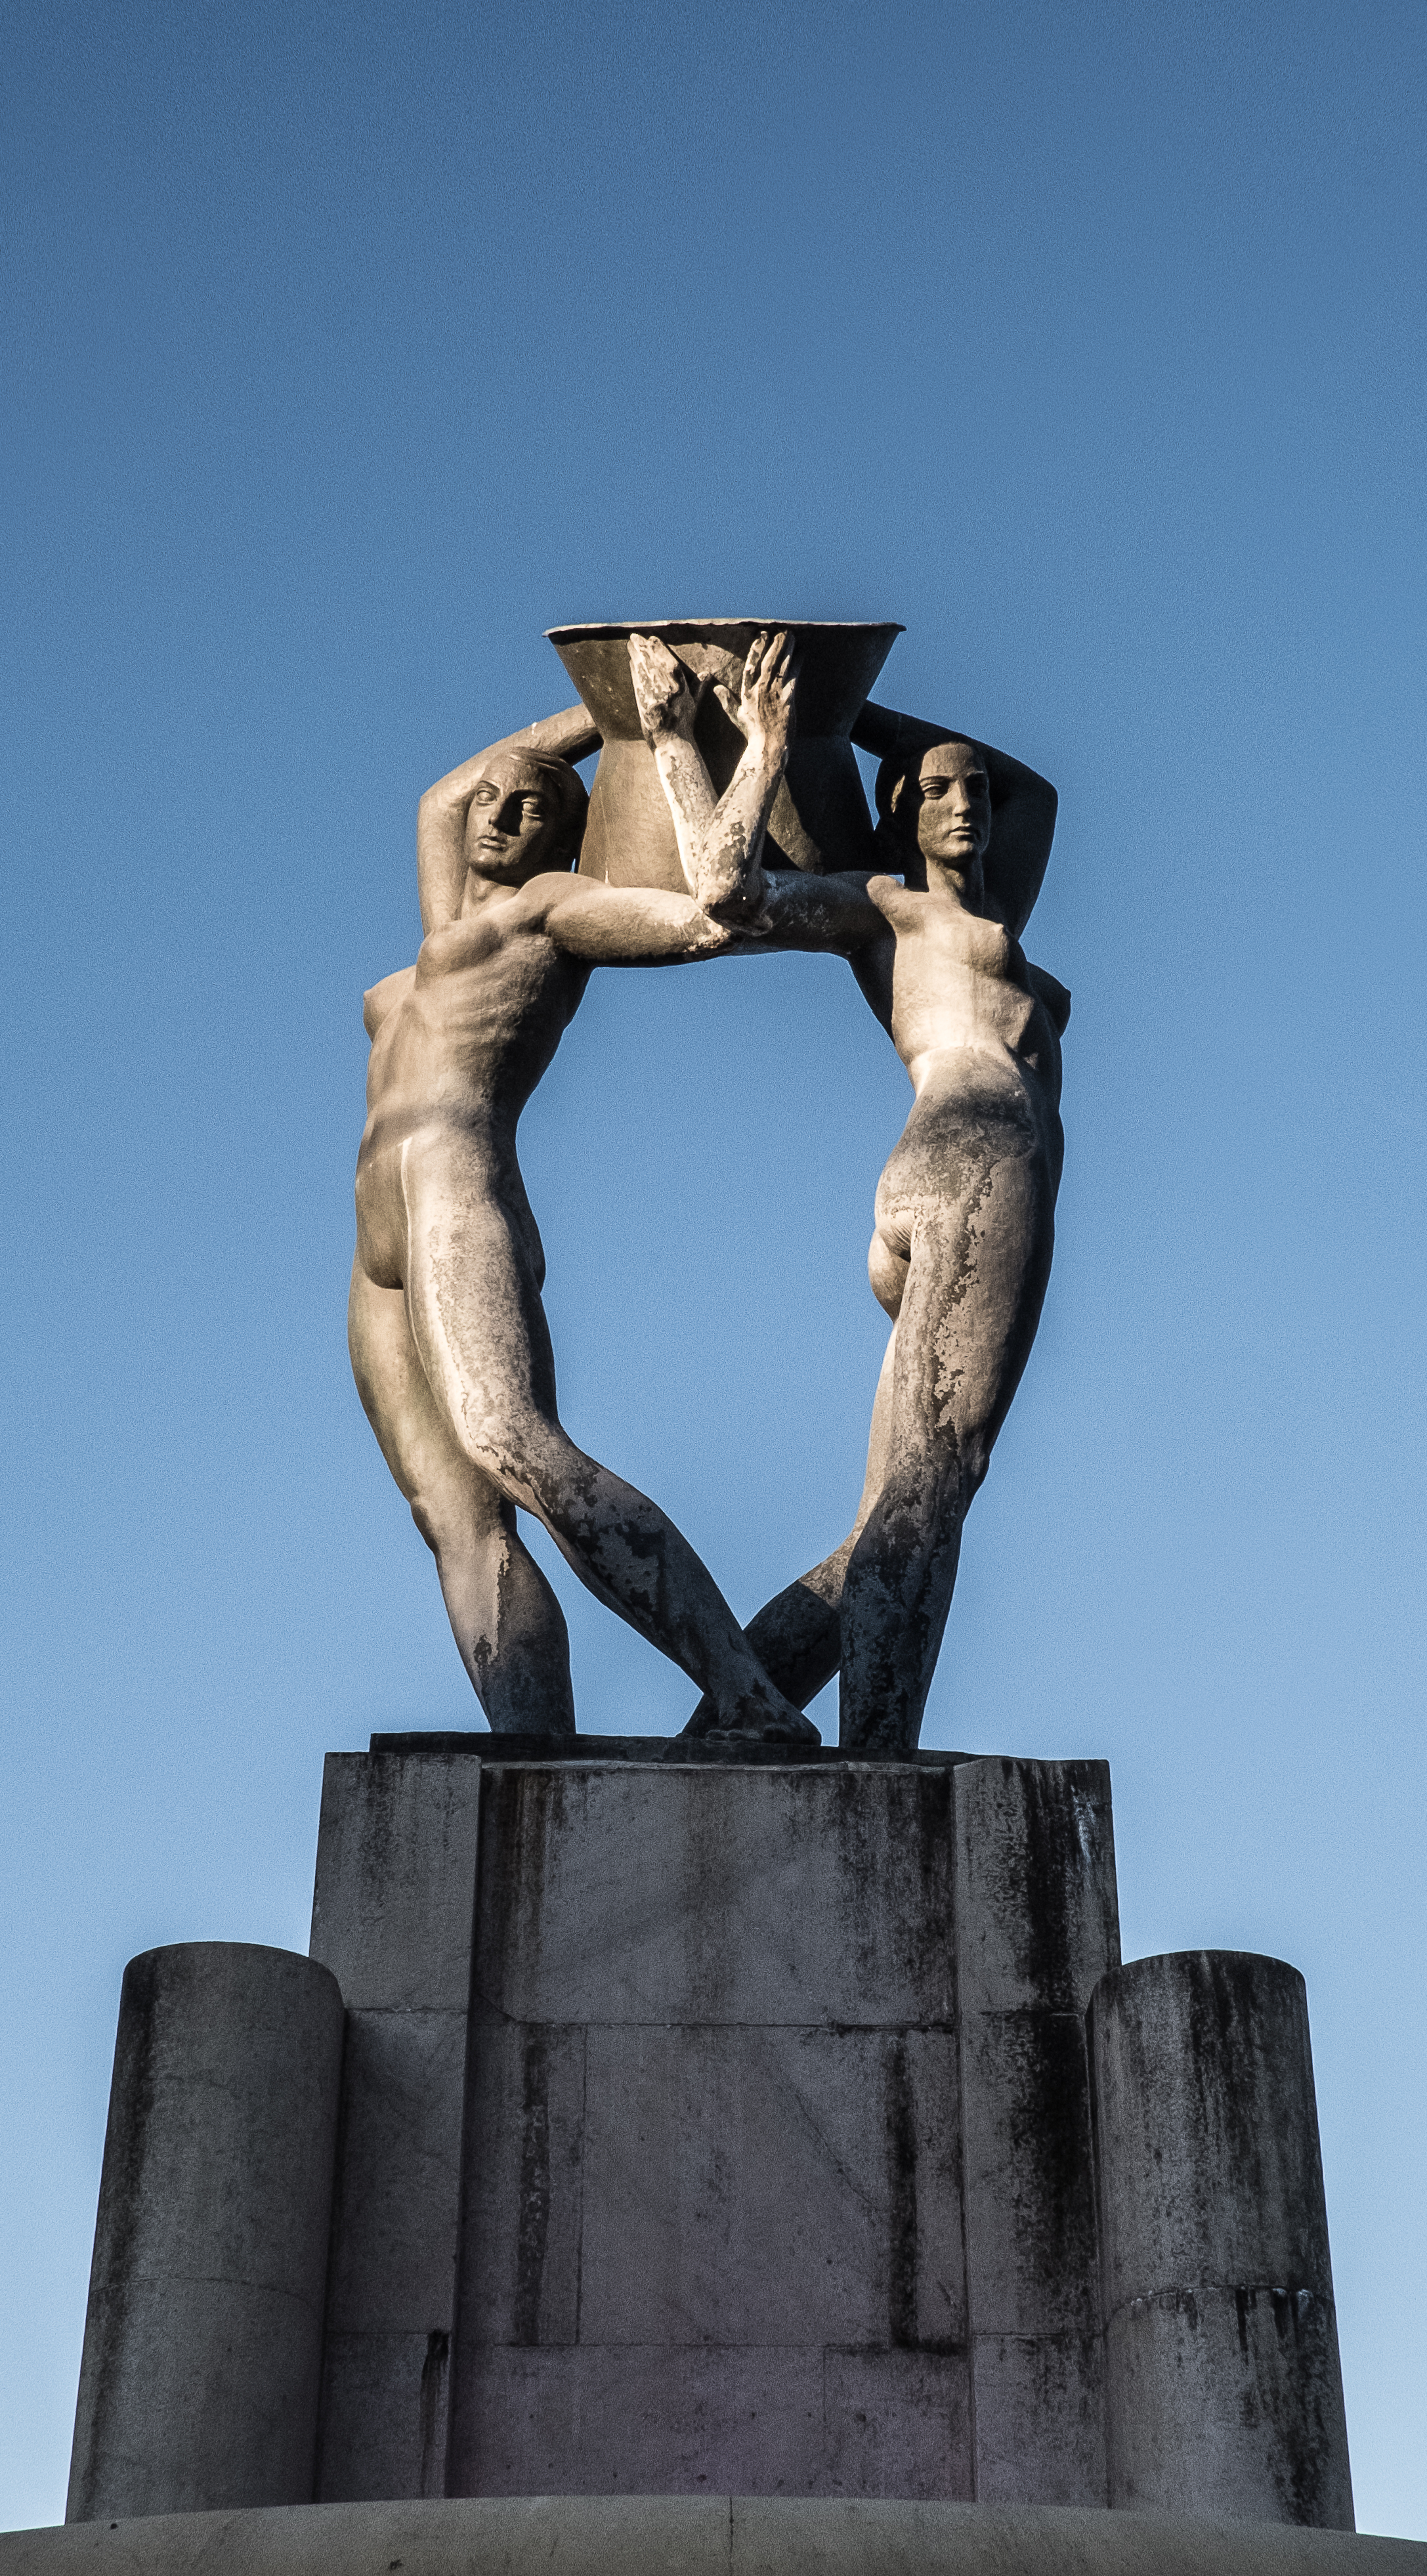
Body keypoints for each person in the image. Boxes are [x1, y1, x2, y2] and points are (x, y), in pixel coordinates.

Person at [350, 643, 817, 1742]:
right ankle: (530, 1751)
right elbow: (441, 794)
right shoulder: (434, 935)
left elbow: (714, 911)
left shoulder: (553, 910)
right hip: (374, 1233)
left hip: (459, 1184)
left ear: (560, 836)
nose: (499, 815)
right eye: (495, 803)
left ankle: (750, 1697)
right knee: (453, 1515)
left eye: (531, 810)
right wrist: (593, 704)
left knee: (509, 1436)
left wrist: (690, 736)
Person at [628, 635, 1067, 1750]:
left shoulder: (997, 923)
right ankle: (884, 1764)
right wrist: (770, 730)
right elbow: (722, 891)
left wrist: (856, 712)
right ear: (897, 816)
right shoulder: (895, 910)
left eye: (974, 791)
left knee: (885, 1518)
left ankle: (726, 1724)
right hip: (975, 1169)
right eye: (935, 792)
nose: (966, 802)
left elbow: (1038, 791)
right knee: (939, 1486)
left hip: (947, 1190)